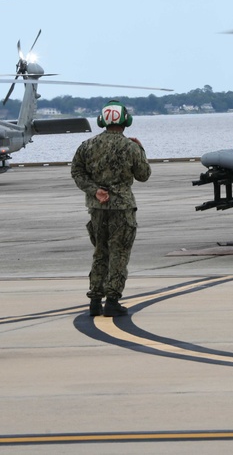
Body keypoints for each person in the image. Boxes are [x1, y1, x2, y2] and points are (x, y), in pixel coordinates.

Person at [71, 101, 151, 317]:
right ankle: (112, 300)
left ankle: (95, 300)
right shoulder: (131, 147)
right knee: (119, 253)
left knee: (100, 252)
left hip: (97, 207)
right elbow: (143, 175)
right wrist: (140, 149)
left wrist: (94, 190)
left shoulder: (87, 145)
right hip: (122, 207)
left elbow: (77, 172)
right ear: (125, 121)